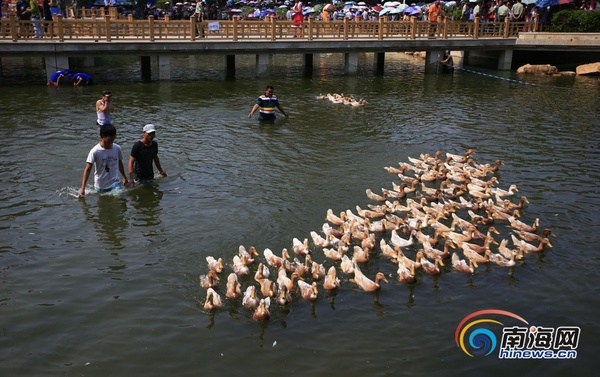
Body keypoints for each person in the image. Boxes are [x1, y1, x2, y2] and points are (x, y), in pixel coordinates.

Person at [79, 124, 129, 196]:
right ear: (102, 136)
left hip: (115, 183)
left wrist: (124, 177)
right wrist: (82, 187)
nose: (112, 138)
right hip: (101, 185)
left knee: (119, 200)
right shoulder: (95, 151)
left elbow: (119, 162)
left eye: (113, 136)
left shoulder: (117, 148)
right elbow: (87, 169)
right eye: (110, 136)